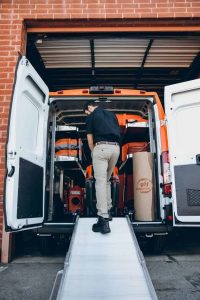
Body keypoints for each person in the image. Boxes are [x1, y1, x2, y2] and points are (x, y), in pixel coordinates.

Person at [84, 101, 120, 234]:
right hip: (115, 149)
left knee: (99, 182)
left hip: (101, 148)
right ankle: (109, 210)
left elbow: (89, 139)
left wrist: (94, 151)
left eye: (86, 113)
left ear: (89, 107)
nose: (87, 115)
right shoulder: (112, 115)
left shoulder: (91, 116)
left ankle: (103, 219)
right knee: (106, 181)